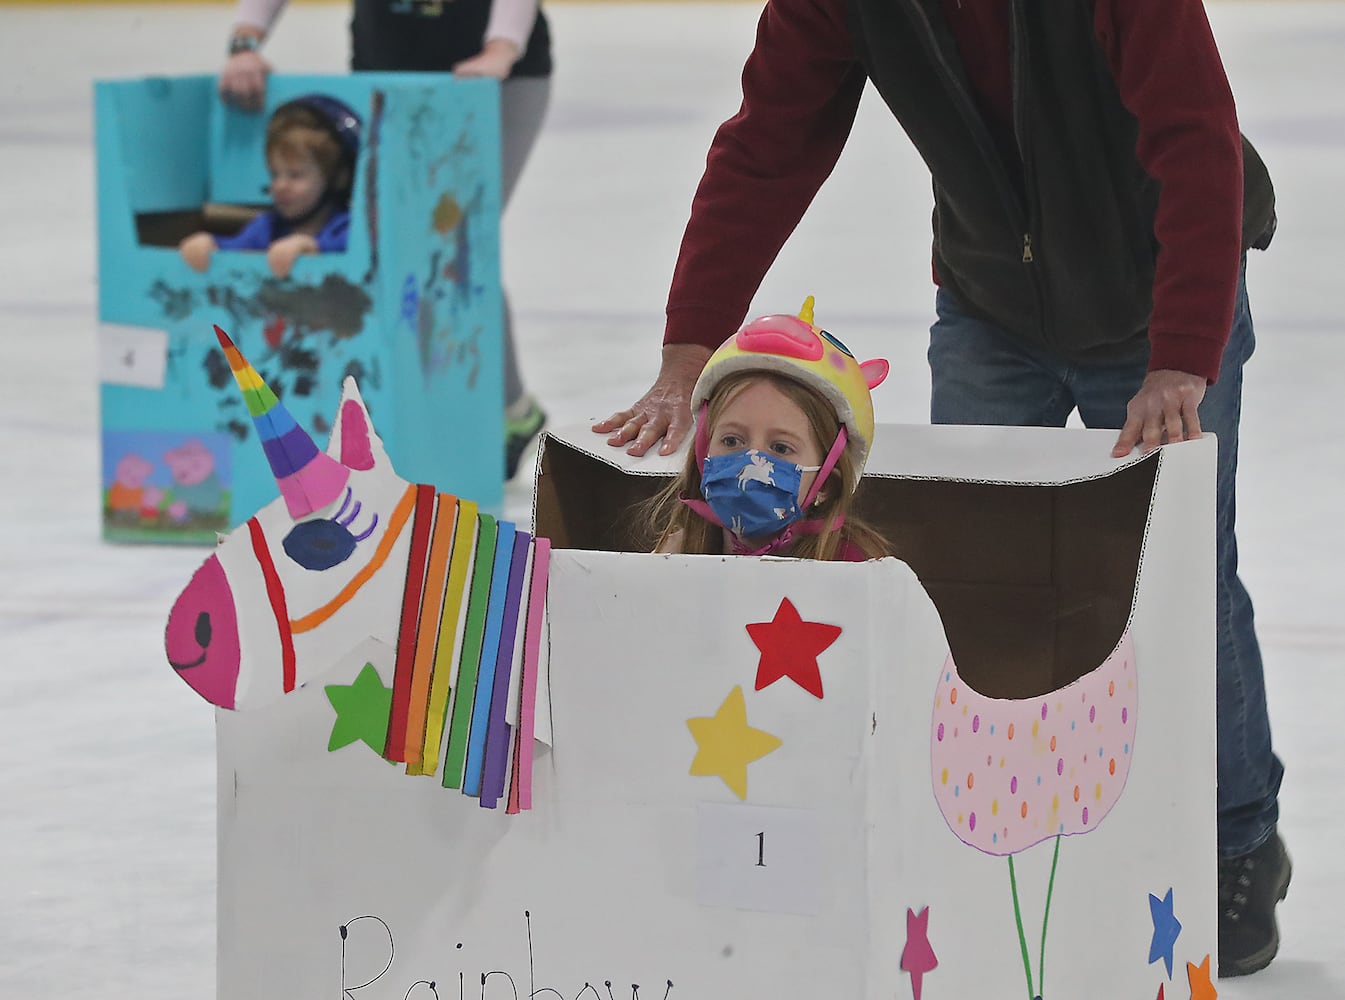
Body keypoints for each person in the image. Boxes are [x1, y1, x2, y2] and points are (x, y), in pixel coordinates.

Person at [593, 0, 1287, 978]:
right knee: (975, 566)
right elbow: (767, 147)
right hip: (991, 303)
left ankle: (1238, 836)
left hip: (1158, 294)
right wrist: (687, 348)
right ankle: (1007, 813)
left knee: (1180, 576)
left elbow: (1197, 144)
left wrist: (1180, 356)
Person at [219, 0, 552, 478]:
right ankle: (399, 408)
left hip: (492, 84)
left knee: (453, 246)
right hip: (385, 72)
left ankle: (508, 410)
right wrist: (245, 42)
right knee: (385, 243)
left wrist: (501, 48)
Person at [645, 300, 890, 561]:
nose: (751, 460)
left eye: (780, 447)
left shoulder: (854, 570)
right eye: (731, 440)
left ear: (826, 483)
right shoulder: (680, 553)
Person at [179, 95, 359, 279]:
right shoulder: (268, 226)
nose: (280, 186)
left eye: (295, 175)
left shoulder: (349, 228)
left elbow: (350, 248)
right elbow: (236, 247)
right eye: (274, 174)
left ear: (339, 178)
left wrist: (312, 247)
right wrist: (210, 244)